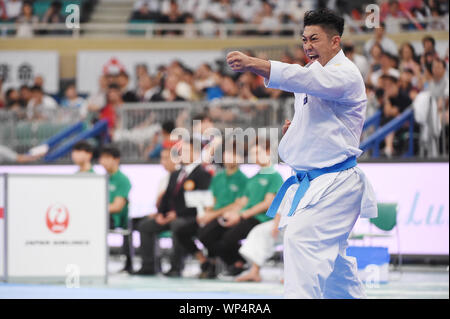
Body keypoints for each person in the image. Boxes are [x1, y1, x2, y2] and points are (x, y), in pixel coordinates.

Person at [226, 8, 377, 299]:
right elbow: (322, 121)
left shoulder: (345, 74)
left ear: (335, 42)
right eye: (304, 39)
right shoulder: (314, 72)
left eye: (315, 39)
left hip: (336, 183)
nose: (307, 46)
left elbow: (301, 81)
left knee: (300, 240)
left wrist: (255, 64)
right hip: (317, 182)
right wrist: (297, 129)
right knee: (333, 265)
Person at [198, 138, 283, 277]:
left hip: (260, 219)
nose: (255, 157)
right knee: (210, 233)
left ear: (268, 152)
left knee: (227, 238)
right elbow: (243, 201)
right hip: (245, 216)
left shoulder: (275, 177)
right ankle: (238, 263)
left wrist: (242, 215)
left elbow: (268, 203)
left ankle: (241, 262)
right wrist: (232, 214)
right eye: (252, 153)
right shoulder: (254, 178)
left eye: (257, 152)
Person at [134, 138, 212, 277]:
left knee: (178, 225)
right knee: (145, 225)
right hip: (169, 216)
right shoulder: (175, 174)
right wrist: (160, 214)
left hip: (188, 217)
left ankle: (176, 266)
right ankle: (148, 265)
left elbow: (199, 203)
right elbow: (167, 197)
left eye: (187, 151)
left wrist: (177, 214)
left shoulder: (203, 175)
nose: (182, 154)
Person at [173, 140, 249, 279]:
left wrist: (212, 214)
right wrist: (206, 212)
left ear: (241, 158)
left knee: (206, 234)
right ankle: (205, 261)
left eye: (235, 154)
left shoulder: (243, 180)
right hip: (212, 215)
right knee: (182, 231)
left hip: (225, 217)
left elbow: (238, 204)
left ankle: (237, 261)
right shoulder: (218, 176)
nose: (230, 158)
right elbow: (211, 198)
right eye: (227, 154)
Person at [98, 145, 133, 272]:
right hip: (101, 215)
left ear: (116, 159)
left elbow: (117, 207)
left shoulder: (122, 180)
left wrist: (96, 209)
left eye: (107, 158)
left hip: (114, 219)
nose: (103, 161)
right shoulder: (101, 178)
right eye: (102, 158)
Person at [236, 212, 282, 282]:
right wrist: (277, 222)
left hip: (299, 219)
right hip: (285, 218)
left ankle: (293, 276)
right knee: (260, 230)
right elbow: (283, 204)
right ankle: (254, 271)